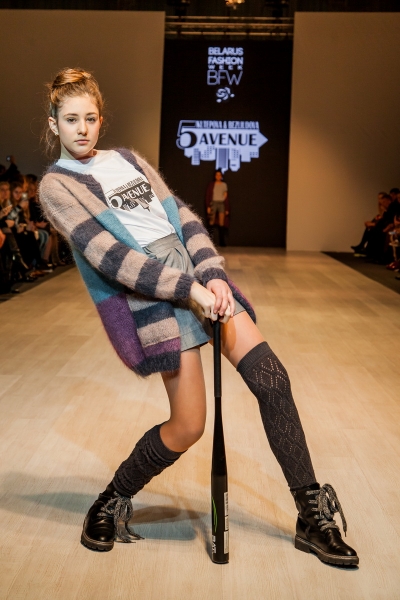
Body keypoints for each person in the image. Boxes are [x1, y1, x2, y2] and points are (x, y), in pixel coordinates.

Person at [39, 67, 358, 566]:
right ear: (53, 123)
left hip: (198, 281)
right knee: (188, 426)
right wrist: (188, 290)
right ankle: (110, 500)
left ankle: (311, 516)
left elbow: (183, 219)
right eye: (71, 119)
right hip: (155, 298)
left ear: (101, 119)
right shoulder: (58, 186)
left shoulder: (129, 161)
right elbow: (112, 259)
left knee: (273, 380)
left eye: (91, 118)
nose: (82, 128)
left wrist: (212, 275)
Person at [351, 192, 391, 256]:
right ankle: (364, 247)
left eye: (381, 199)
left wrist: (373, 224)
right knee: (370, 229)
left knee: (373, 230)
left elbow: (385, 221)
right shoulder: (382, 209)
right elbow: (379, 218)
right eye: (379, 199)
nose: (380, 201)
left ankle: (367, 249)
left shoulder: (389, 210)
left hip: (385, 228)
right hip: (381, 226)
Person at [206, 170, 230, 247]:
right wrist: (208, 206)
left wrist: (227, 208)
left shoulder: (224, 185)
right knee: (211, 221)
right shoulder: (212, 184)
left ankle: (222, 242)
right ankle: (209, 241)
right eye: (217, 175)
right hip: (213, 203)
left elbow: (226, 196)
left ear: (221, 176)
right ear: (215, 176)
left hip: (221, 203)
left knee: (221, 222)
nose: (218, 176)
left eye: (220, 175)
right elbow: (208, 195)